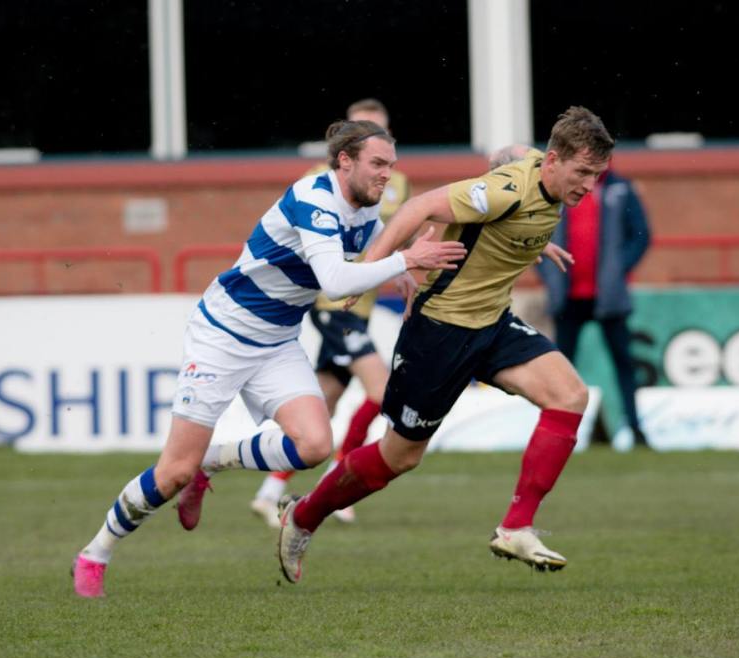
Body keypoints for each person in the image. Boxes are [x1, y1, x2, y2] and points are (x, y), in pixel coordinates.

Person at [70, 120, 466, 597]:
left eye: (391, 165)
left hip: (277, 342)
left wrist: (400, 265)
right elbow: (335, 282)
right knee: (173, 471)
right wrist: (405, 261)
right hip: (222, 335)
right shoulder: (313, 199)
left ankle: (211, 462)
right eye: (378, 164)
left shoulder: (364, 207)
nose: (387, 174)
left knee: (314, 445)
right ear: (344, 161)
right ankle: (95, 552)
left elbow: (373, 242)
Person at [276, 106, 615, 584]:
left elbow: (507, 153)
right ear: (555, 160)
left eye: (596, 175)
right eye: (582, 173)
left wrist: (533, 241)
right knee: (400, 457)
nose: (588, 185)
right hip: (439, 331)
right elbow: (418, 207)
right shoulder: (503, 191)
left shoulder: (538, 168)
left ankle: (516, 527)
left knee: (570, 396)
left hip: (492, 324)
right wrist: (367, 270)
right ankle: (304, 515)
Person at [251, 99, 410, 527]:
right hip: (333, 304)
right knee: (382, 392)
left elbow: (391, 237)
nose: (382, 160)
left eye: (383, 134)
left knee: (325, 405)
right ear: (347, 151)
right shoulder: (318, 183)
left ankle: (269, 492)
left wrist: (404, 268)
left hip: (362, 306)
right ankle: (338, 482)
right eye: (367, 132)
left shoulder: (396, 183)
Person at [536, 164, 652, 447]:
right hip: (568, 296)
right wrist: (549, 273)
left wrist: (618, 268)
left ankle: (634, 428)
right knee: (561, 369)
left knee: (623, 363)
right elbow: (534, 234)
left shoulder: (620, 188)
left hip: (609, 296)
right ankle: (554, 433)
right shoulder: (559, 188)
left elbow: (641, 234)